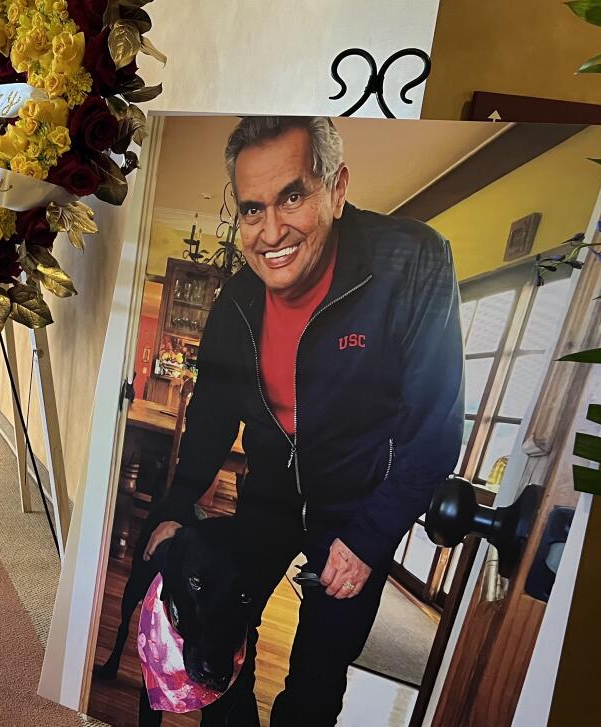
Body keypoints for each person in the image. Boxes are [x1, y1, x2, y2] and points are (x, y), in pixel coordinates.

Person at [143, 116, 464, 726]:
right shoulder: (237, 300)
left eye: (292, 196)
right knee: (218, 636)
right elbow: (210, 416)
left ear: (336, 190)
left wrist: (372, 537)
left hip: (358, 503)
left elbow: (436, 426)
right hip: (267, 496)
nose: (272, 232)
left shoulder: (412, 261)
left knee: (319, 671)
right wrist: (175, 504)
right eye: (251, 209)